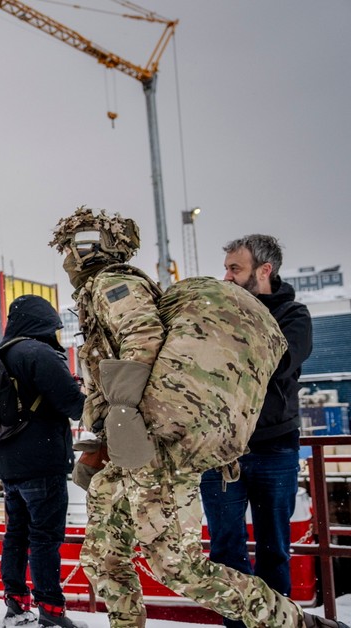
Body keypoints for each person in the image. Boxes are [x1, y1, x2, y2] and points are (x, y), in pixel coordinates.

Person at [50, 206, 344, 628]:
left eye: (72, 246)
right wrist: (99, 444)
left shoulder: (113, 283)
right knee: (103, 556)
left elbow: (142, 337)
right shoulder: (97, 289)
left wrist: (123, 419)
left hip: (155, 444)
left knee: (177, 565)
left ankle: (293, 622)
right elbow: (105, 373)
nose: (67, 257)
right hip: (129, 445)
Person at [200, 235, 313, 628]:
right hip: (220, 451)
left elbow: (278, 362)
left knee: (274, 550)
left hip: (274, 450)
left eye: (236, 269)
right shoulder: (217, 313)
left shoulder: (293, 315)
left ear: (264, 271)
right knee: (226, 551)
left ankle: (276, 622)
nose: (226, 277)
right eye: (227, 267)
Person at [0, 295, 87, 628]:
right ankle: (52, 609)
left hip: (8, 462)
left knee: (16, 534)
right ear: (44, 324)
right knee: (45, 537)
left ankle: (16, 604)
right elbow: (74, 405)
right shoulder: (38, 353)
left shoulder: (0, 354)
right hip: (42, 462)